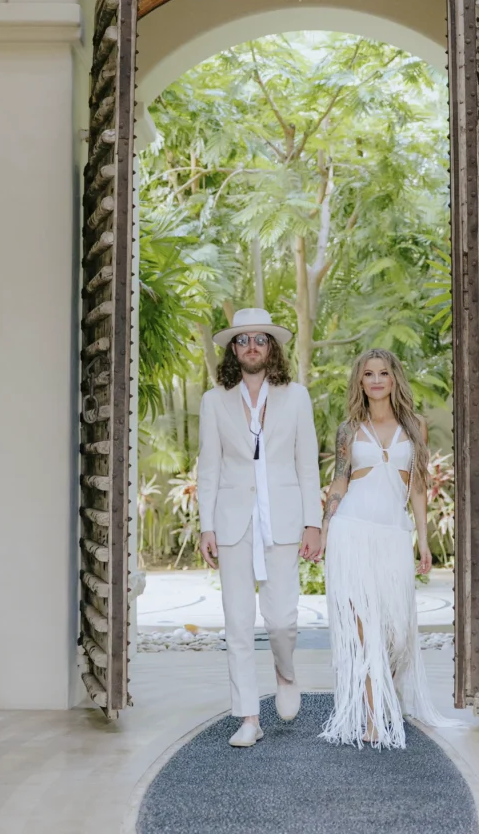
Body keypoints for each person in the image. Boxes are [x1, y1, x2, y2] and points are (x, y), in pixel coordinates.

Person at [197, 308, 322, 748]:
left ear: (272, 348)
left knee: (283, 620)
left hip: (284, 521)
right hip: (233, 523)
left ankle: (285, 673)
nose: (252, 346)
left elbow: (307, 464)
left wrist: (313, 522)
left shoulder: (297, 397)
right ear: (234, 349)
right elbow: (208, 467)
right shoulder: (214, 401)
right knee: (237, 623)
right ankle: (249, 716)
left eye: (261, 339)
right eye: (243, 339)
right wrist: (206, 524)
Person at [318, 348, 452, 749]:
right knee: (364, 631)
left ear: (394, 379)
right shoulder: (349, 429)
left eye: (383, 373)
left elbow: (417, 488)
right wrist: (325, 528)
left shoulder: (415, 428)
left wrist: (423, 541)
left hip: (393, 536)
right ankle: (374, 719)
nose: (376, 380)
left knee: (395, 633)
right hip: (351, 533)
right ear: (360, 381)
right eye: (368, 374)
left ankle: (383, 697)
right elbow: (340, 482)